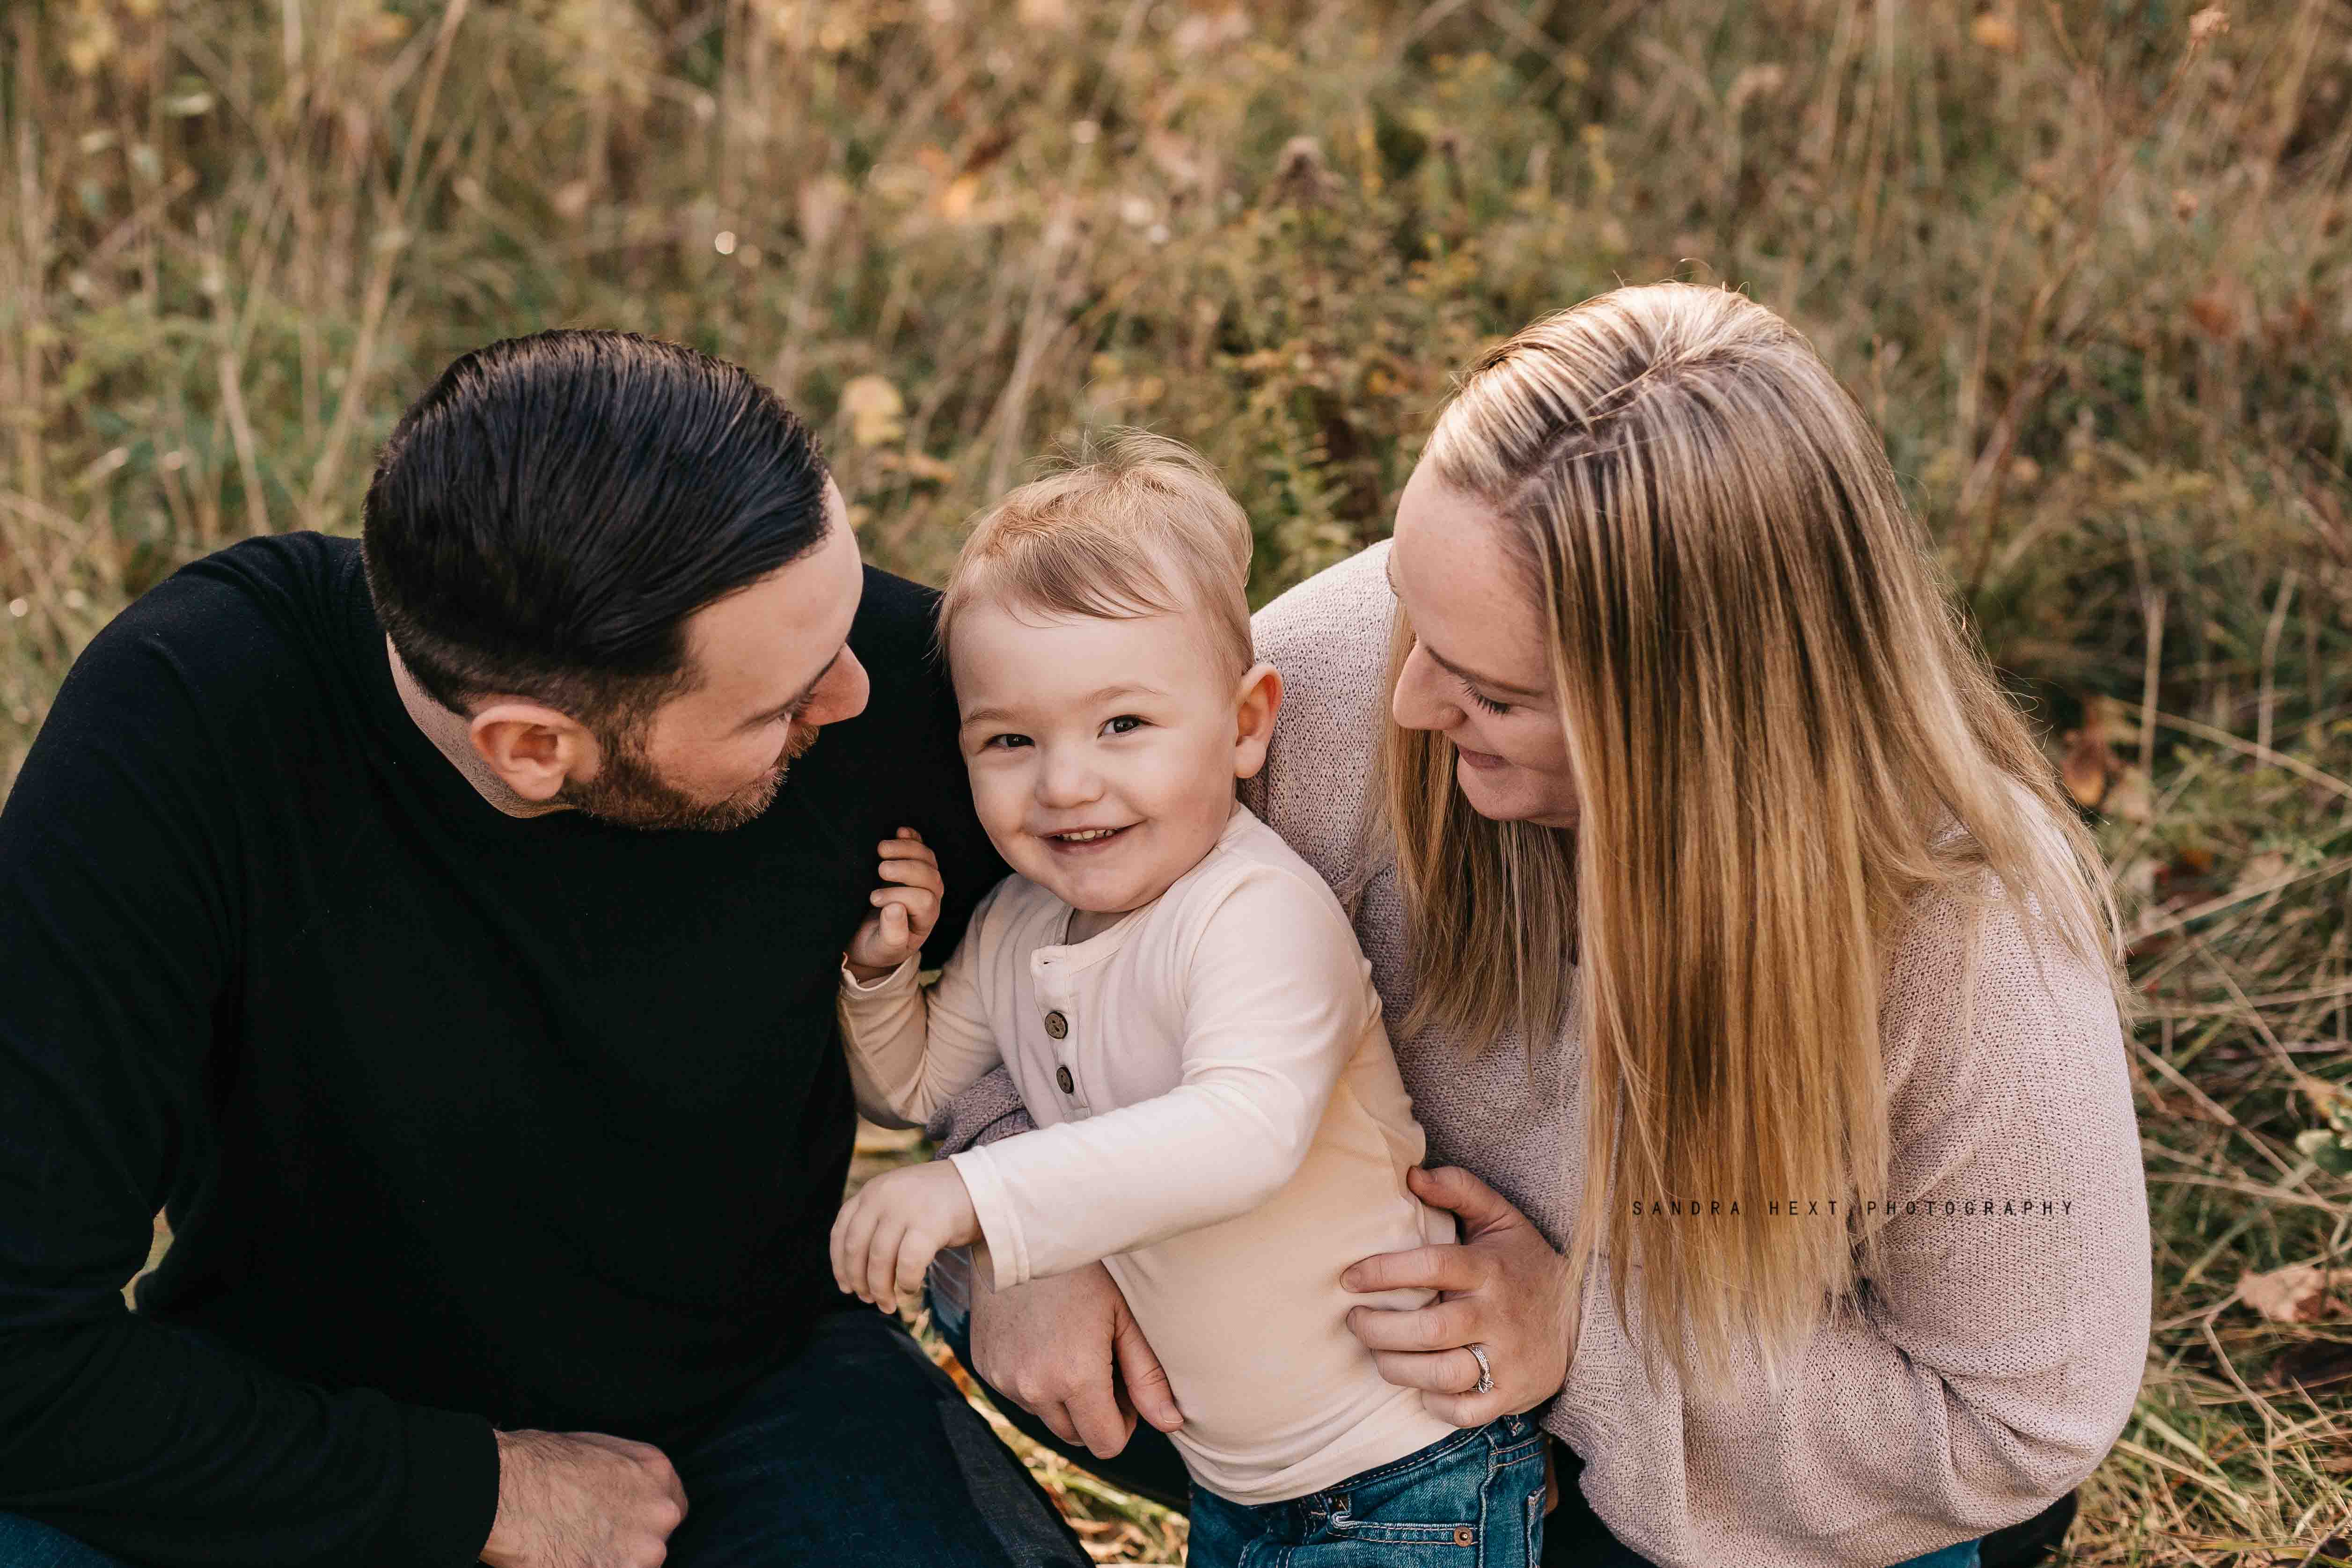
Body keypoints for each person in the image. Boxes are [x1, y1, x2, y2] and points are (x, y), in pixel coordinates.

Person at [928, 282, 2154, 1568]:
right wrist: (1026, 1235)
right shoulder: (1340, 677)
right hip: (1362, 1405)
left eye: (1493, 692)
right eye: (1408, 608)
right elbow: (1033, 943)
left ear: (1688, 719)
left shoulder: (1968, 936)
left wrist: (1581, 1342)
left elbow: (2010, 1418)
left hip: (1753, 1480)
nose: (1404, 699)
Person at [0, 330, 1094, 1568]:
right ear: (532, 747)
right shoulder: (188, 724)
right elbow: (17, 1350)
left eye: (849, 618)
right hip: (291, 1430)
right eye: (783, 701)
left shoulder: (833, 655)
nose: (857, 694)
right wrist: (476, 1492)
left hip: (759, 1391)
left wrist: (1040, 1203)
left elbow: (1162, 886)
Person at [826, 434, 1547, 1566]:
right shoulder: (1019, 922)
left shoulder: (1251, 910)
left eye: (1123, 725)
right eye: (1010, 739)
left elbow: (1243, 1133)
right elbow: (918, 1082)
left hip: (1402, 1468)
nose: (1065, 782)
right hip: (1238, 1485)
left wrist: (978, 1190)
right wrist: (879, 974)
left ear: (1246, 722)